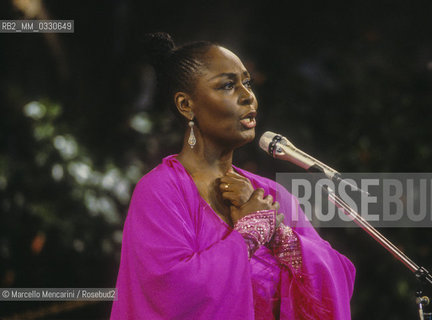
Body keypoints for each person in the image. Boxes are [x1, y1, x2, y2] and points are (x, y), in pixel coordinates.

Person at [110, 32, 355, 320]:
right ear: (186, 105)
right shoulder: (161, 191)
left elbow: (336, 279)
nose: (248, 96)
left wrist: (278, 235)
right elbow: (171, 293)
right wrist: (248, 236)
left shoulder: (272, 197)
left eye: (247, 83)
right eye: (228, 85)